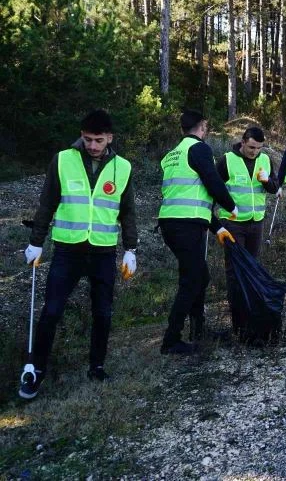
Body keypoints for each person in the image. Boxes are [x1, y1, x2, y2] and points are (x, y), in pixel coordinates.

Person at [19, 110, 138, 400]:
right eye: (87, 139)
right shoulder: (63, 160)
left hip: (103, 252)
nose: (93, 145)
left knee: (103, 313)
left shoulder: (123, 167)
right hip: (67, 251)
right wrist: (36, 242)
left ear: (110, 138)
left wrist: (131, 249)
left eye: (98, 140)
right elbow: (47, 203)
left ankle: (97, 366)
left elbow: (128, 212)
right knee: (51, 311)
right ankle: (35, 371)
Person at [158, 109, 238, 355]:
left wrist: (217, 226)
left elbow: (190, 197)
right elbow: (212, 181)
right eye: (206, 126)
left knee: (199, 276)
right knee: (192, 280)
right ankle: (171, 340)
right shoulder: (199, 149)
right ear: (202, 126)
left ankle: (198, 330)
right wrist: (230, 205)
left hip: (173, 223)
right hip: (186, 227)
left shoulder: (172, 155)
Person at [216, 126, 279, 335]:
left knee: (252, 268)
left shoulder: (265, 160)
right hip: (233, 223)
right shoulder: (227, 160)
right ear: (243, 142)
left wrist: (267, 181)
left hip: (256, 222)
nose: (255, 152)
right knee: (235, 271)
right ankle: (238, 323)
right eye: (252, 147)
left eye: (259, 148)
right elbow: (213, 187)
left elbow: (274, 188)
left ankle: (252, 317)